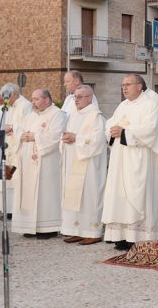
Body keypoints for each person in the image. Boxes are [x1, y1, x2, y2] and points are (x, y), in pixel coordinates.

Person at [102, 75, 158, 251]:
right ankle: (121, 236)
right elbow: (110, 123)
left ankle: (139, 237)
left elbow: (150, 130)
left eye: (128, 85)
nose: (124, 88)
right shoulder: (123, 105)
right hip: (120, 158)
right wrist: (112, 130)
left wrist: (124, 132)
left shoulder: (150, 104)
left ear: (139, 86)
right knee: (119, 195)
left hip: (140, 159)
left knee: (137, 196)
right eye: (122, 85)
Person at [12, 89, 69, 239]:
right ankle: (30, 226)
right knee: (29, 192)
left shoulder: (57, 114)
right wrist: (22, 136)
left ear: (47, 100)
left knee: (45, 192)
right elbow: (20, 130)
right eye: (32, 99)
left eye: (36, 99)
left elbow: (56, 136)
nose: (33, 102)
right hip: (28, 159)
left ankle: (47, 228)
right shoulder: (30, 115)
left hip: (46, 162)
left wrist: (34, 137)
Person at [60, 85, 107, 245]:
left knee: (89, 197)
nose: (76, 99)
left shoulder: (96, 116)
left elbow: (98, 140)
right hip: (73, 162)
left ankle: (93, 232)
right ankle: (77, 230)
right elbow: (69, 134)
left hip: (90, 166)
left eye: (80, 97)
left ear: (89, 97)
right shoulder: (74, 115)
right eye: (75, 97)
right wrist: (65, 139)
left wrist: (76, 138)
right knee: (74, 198)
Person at [0, 83, 33, 215]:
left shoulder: (26, 105)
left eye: (7, 98)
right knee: (8, 179)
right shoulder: (9, 107)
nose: (5, 101)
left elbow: (28, 125)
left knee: (17, 179)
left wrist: (12, 128)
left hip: (19, 147)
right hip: (9, 146)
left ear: (14, 94)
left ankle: (16, 209)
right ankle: (8, 209)